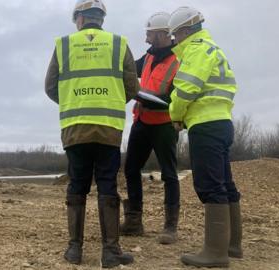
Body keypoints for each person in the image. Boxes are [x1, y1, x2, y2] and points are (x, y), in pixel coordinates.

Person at [44, 0, 139, 267]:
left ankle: (74, 250)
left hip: (75, 129)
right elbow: (131, 86)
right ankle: (110, 252)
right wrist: (109, 101)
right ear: (101, 19)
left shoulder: (64, 45)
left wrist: (73, 102)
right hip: (108, 128)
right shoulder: (118, 44)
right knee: (108, 185)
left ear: (80, 19)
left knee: (77, 184)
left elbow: (50, 86)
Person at [167, 6, 242, 268]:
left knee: (210, 185)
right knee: (225, 183)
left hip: (205, 124)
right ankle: (232, 245)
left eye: (175, 35)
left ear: (185, 31)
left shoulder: (196, 50)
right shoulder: (214, 48)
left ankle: (215, 253)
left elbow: (186, 89)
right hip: (222, 122)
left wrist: (175, 114)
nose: (174, 40)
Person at [119, 12, 180, 245]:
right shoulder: (147, 57)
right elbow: (127, 70)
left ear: (163, 34)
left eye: (150, 34)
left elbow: (174, 96)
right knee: (131, 168)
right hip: (142, 121)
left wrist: (148, 96)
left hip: (164, 124)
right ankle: (134, 221)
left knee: (169, 174)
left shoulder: (178, 60)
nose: (146, 39)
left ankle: (170, 227)